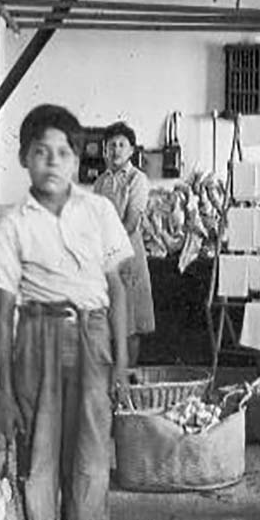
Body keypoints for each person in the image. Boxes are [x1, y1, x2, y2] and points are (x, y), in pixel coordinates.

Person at [0, 104, 132, 520]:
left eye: (63, 152)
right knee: (39, 470)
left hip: (93, 342)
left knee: (91, 470)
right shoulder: (12, 225)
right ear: (25, 159)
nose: (52, 161)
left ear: (77, 162)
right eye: (41, 152)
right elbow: (2, 312)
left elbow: (117, 288)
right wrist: (6, 395)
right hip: (36, 342)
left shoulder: (99, 211)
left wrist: (121, 364)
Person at [93, 122, 155, 366]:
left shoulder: (137, 180)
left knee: (129, 323)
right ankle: (112, 385)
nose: (116, 150)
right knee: (108, 322)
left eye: (121, 145)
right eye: (111, 145)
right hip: (104, 259)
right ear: (105, 151)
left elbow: (130, 223)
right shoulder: (99, 183)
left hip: (127, 255)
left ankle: (127, 382)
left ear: (131, 151)